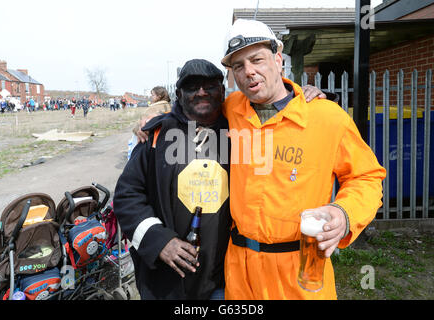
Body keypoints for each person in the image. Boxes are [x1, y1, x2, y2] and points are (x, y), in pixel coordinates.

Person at [219, 19, 386, 300]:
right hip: (240, 270)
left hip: (299, 271)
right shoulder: (231, 109)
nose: (249, 71)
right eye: (238, 66)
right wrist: (151, 122)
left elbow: (366, 176)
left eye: (257, 59)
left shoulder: (326, 117)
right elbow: (189, 113)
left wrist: (345, 214)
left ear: (278, 59)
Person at [113, 59, 232, 299]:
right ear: (178, 94)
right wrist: (159, 241)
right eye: (192, 86)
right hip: (168, 285)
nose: (201, 92)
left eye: (209, 85)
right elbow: (127, 197)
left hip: (225, 280)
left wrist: (309, 94)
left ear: (222, 90)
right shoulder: (156, 135)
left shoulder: (241, 130)